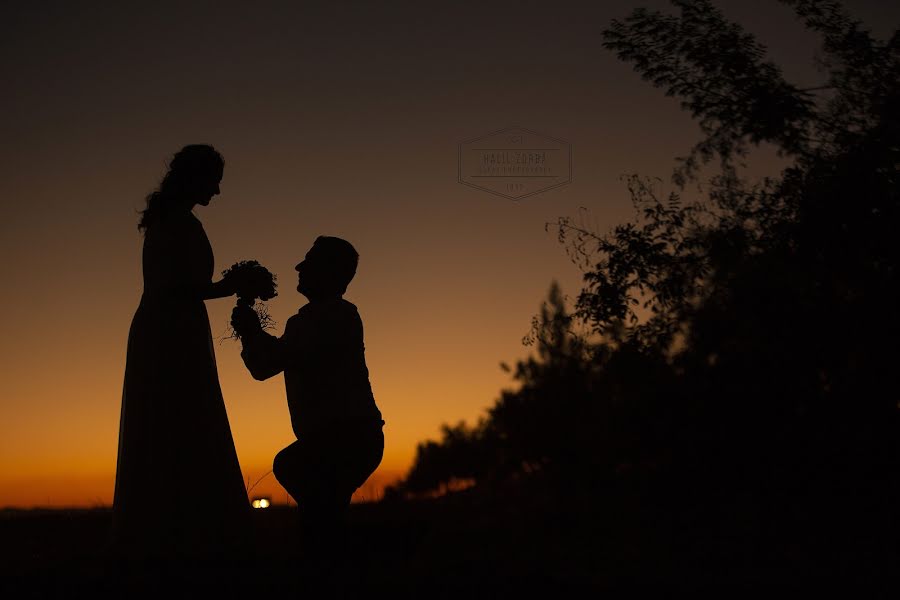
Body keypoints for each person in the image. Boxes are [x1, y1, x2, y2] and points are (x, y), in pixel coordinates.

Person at [112, 145, 250, 566]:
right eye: (214, 180)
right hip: (169, 329)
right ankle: (182, 532)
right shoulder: (175, 222)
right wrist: (235, 283)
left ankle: (180, 526)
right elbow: (180, 286)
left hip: (174, 325)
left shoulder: (173, 220)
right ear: (195, 178)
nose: (219, 190)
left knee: (179, 416)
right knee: (177, 414)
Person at [231, 236, 384, 587]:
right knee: (322, 511)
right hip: (352, 438)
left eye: (309, 262)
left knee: (298, 475)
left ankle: (335, 571)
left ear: (329, 272)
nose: (299, 268)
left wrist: (251, 332)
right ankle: (341, 569)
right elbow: (271, 361)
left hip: (345, 438)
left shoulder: (331, 317)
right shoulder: (322, 318)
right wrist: (252, 334)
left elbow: (269, 363)